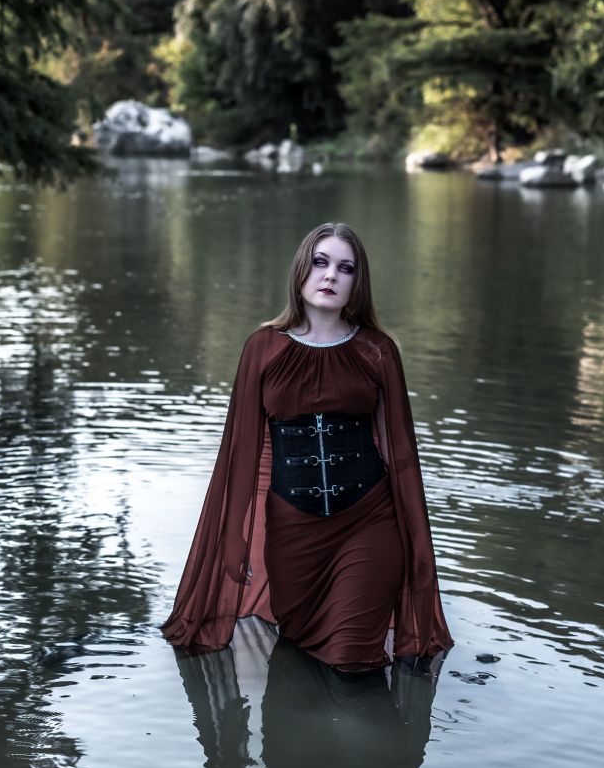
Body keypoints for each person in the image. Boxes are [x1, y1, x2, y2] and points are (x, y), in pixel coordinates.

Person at [161, 221, 453, 671]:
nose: (331, 275)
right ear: (301, 271)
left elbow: (400, 456)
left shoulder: (377, 351)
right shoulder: (263, 347)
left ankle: (368, 735)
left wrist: (417, 540)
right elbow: (240, 453)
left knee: (354, 658)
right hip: (293, 531)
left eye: (345, 267)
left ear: (359, 282)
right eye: (321, 262)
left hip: (369, 523)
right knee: (298, 652)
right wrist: (234, 536)